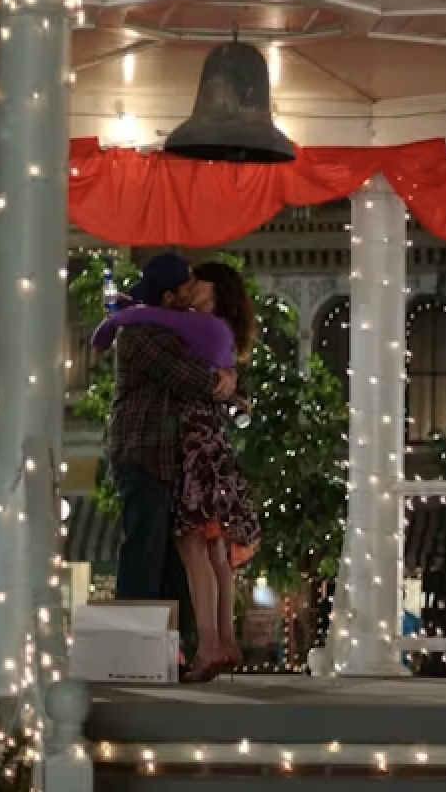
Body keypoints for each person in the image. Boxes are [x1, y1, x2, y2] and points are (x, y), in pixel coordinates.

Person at [98, 259, 260, 683]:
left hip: (179, 457)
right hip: (147, 453)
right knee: (148, 549)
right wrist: (221, 382)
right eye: (186, 286)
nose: (192, 291)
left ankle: (182, 648)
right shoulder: (142, 334)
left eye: (196, 284)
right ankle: (137, 653)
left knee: (186, 555)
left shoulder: (171, 327)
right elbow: (184, 374)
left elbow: (199, 374)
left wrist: (227, 388)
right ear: (169, 296)